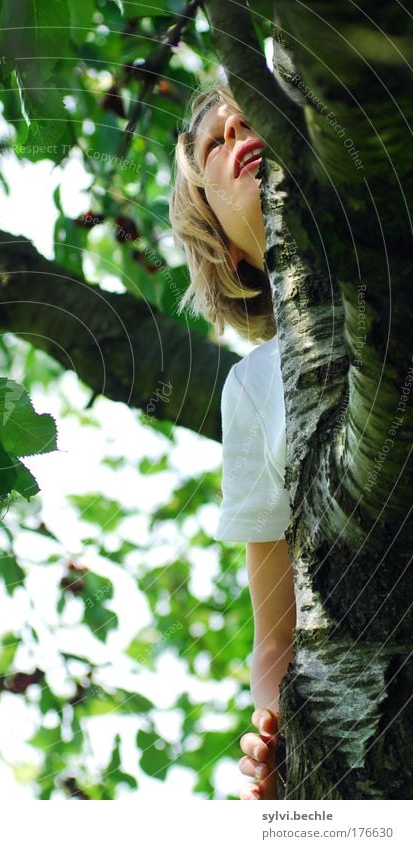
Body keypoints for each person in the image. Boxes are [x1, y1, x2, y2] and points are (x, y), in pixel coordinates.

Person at [169, 83, 297, 801]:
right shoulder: (253, 389)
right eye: (215, 143)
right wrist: (277, 731)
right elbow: (277, 637)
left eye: (250, 119)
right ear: (219, 235)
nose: (235, 133)